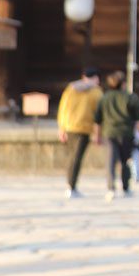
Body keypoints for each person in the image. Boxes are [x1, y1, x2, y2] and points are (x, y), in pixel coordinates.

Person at [96, 70, 139, 199]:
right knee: (126, 161)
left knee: (110, 161)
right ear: (123, 83)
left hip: (109, 133)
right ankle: (126, 187)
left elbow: (98, 120)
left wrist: (97, 136)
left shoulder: (104, 98)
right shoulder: (131, 97)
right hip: (126, 133)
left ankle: (111, 188)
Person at [57, 66, 102, 199]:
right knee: (76, 158)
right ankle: (71, 186)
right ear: (96, 79)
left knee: (72, 157)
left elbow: (63, 108)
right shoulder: (96, 92)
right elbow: (99, 113)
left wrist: (61, 127)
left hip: (69, 127)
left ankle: (70, 184)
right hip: (83, 128)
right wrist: (98, 132)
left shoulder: (70, 89)